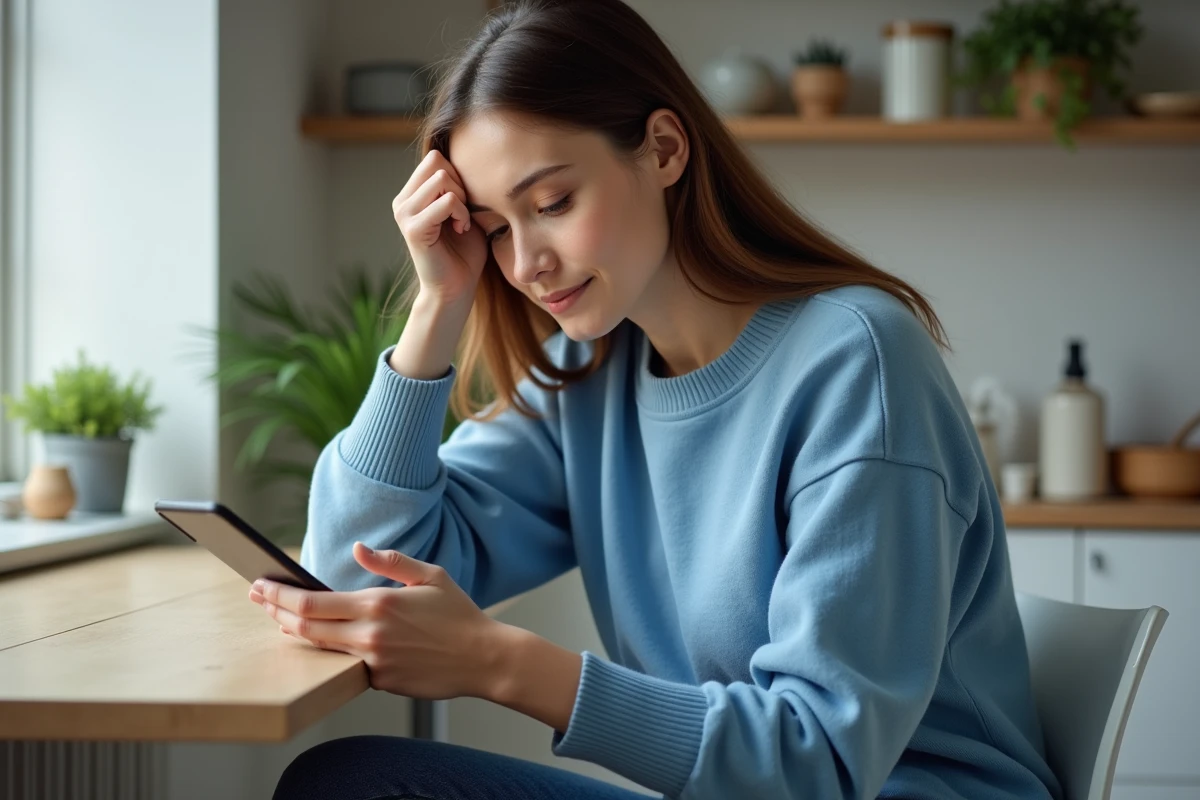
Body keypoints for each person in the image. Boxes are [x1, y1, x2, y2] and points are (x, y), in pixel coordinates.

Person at [259, 1, 1062, 798]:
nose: (526, 262)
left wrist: (498, 662)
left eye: (552, 204)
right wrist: (435, 307)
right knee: (351, 781)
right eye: (495, 227)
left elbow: (820, 762)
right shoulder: (586, 372)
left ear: (665, 148)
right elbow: (353, 580)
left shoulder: (857, 361)